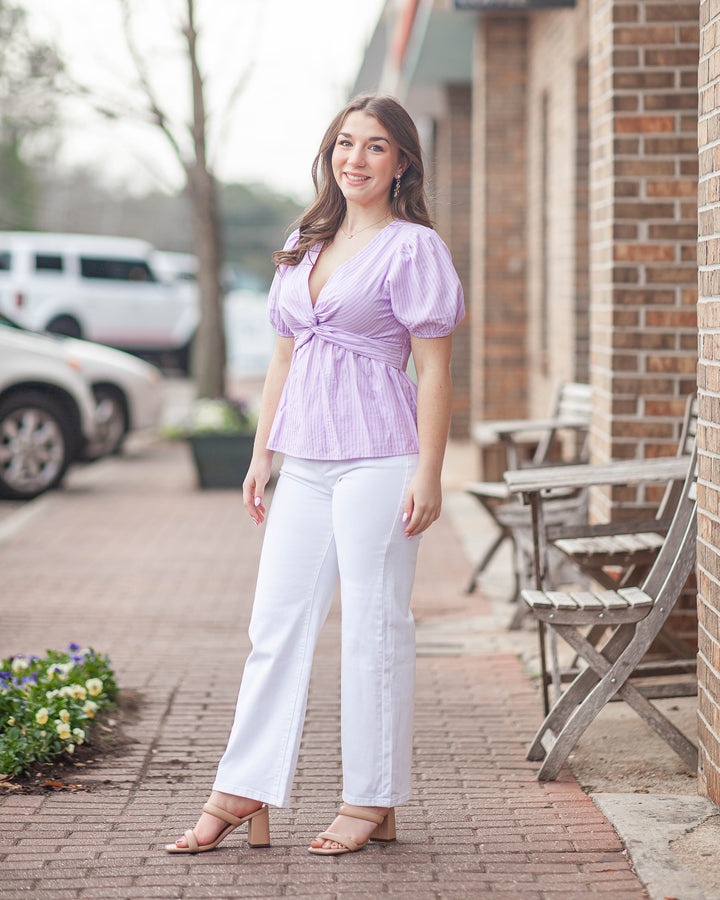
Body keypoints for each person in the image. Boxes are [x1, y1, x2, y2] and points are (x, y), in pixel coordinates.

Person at [166, 93, 464, 857]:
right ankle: (244, 789)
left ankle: (369, 798)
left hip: (381, 457)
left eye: (374, 147)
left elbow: (434, 373)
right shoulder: (307, 237)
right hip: (303, 460)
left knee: (372, 628)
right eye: (344, 144)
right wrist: (263, 452)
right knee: (275, 626)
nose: (354, 159)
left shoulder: (413, 248)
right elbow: (283, 357)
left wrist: (428, 473)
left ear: (402, 161)